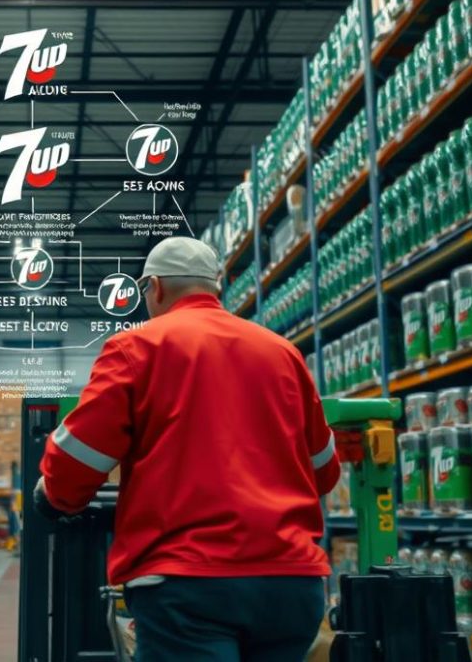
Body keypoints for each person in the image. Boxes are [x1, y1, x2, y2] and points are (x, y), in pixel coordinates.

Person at [33, 236, 341, 662]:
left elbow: (79, 458)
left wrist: (54, 496)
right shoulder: (282, 353)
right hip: (290, 586)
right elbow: (324, 470)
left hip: (189, 587)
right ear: (217, 286)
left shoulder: (136, 348)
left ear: (154, 288)